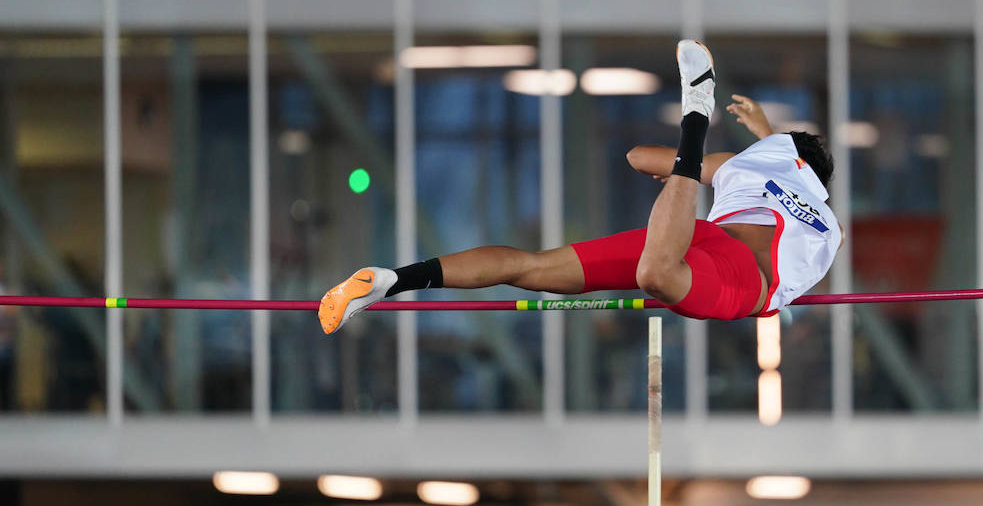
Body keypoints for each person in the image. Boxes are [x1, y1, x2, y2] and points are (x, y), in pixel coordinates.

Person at [319, 40, 841, 331]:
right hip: (742, 278)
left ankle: (391, 279)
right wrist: (764, 137)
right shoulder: (825, 220)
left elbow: (639, 157)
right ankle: (695, 114)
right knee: (655, 276)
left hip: (699, 238)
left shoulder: (742, 166)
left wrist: (742, 145)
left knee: (532, 267)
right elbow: (793, 177)